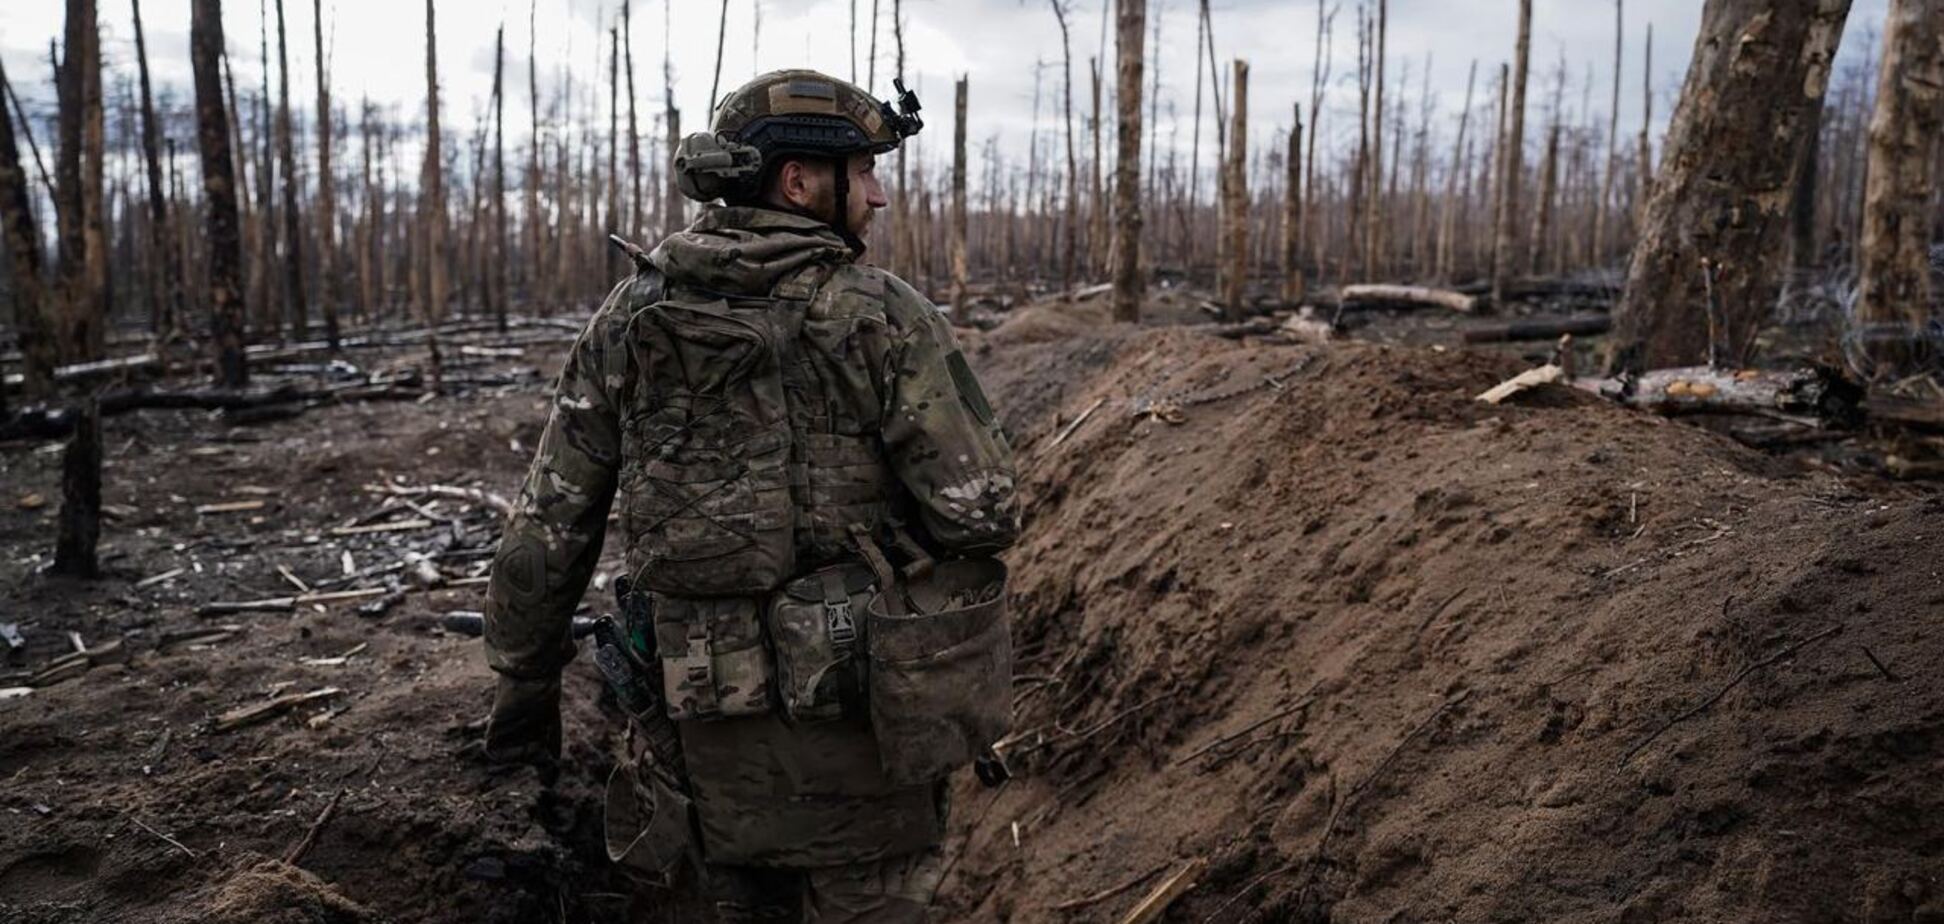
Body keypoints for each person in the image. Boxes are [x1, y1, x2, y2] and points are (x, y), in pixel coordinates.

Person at [479, 69, 1019, 923]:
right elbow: (980, 510)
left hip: (695, 747)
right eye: (864, 171)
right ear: (798, 181)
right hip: (865, 757)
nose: (877, 196)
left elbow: (551, 521)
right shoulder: (881, 314)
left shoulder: (628, 317)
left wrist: (521, 691)